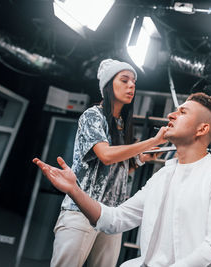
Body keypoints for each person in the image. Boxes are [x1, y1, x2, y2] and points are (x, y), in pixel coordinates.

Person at [34, 92, 211, 267]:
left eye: (182, 112)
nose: (171, 115)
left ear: (202, 129)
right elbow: (114, 220)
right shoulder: (162, 177)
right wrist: (74, 190)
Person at [49, 59, 168, 267]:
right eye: (124, 80)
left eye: (133, 82)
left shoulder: (122, 124)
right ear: (108, 85)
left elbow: (114, 168)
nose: (131, 85)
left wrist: (140, 159)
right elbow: (105, 155)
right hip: (81, 212)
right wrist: (152, 141)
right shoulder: (92, 116)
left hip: (112, 216)